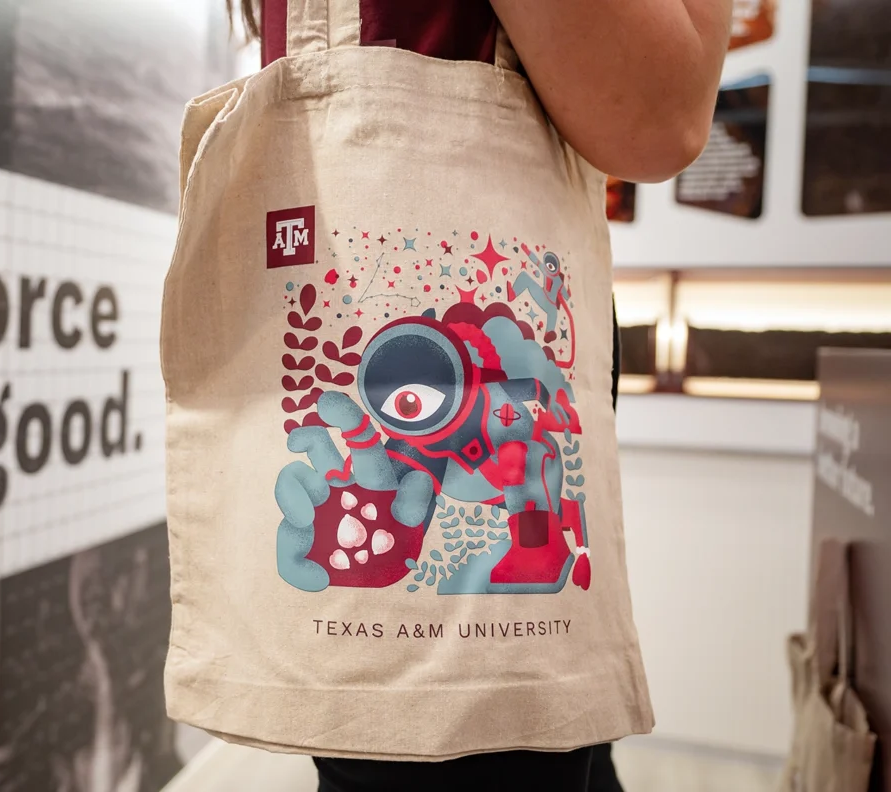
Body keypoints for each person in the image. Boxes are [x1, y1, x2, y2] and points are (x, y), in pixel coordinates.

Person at [226, 1, 732, 790]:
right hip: (433, 296)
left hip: (376, 285)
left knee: (525, 723)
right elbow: (655, 114)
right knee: (497, 731)